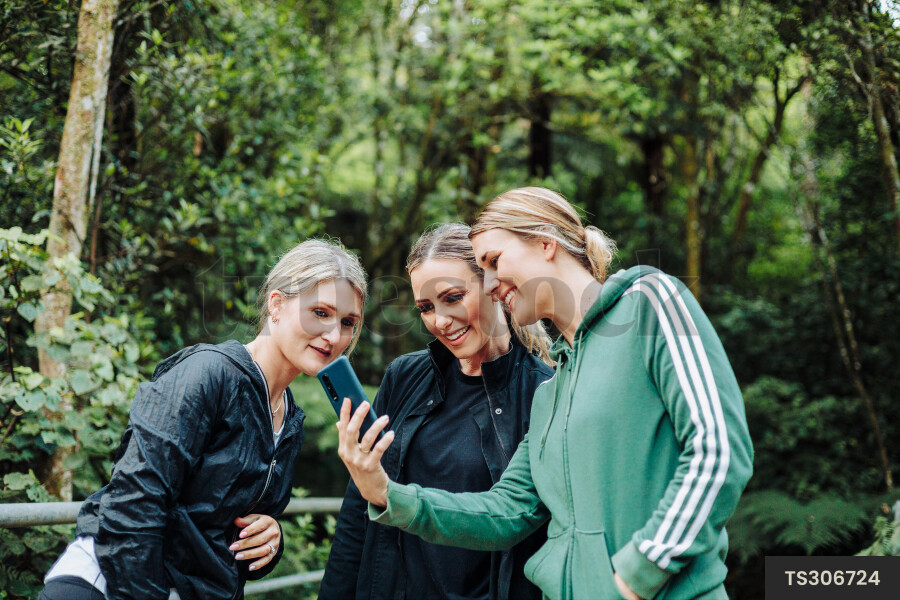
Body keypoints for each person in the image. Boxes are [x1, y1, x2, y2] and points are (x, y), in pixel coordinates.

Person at [337, 188, 754, 600]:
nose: (491, 282)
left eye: (494, 262)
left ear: (545, 241)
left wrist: (635, 578)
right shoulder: (551, 393)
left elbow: (718, 451)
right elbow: (505, 513)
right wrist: (385, 494)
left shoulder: (649, 303)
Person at [38, 239, 368, 600]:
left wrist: (271, 538)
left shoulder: (288, 417)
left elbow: (224, 530)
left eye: (347, 322)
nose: (334, 335)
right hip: (108, 584)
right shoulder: (208, 373)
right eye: (320, 312)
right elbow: (133, 503)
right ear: (277, 305)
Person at [319, 224, 554, 600]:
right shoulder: (404, 377)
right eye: (426, 308)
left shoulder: (544, 393)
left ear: (494, 286)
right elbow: (358, 512)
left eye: (453, 297)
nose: (440, 321)